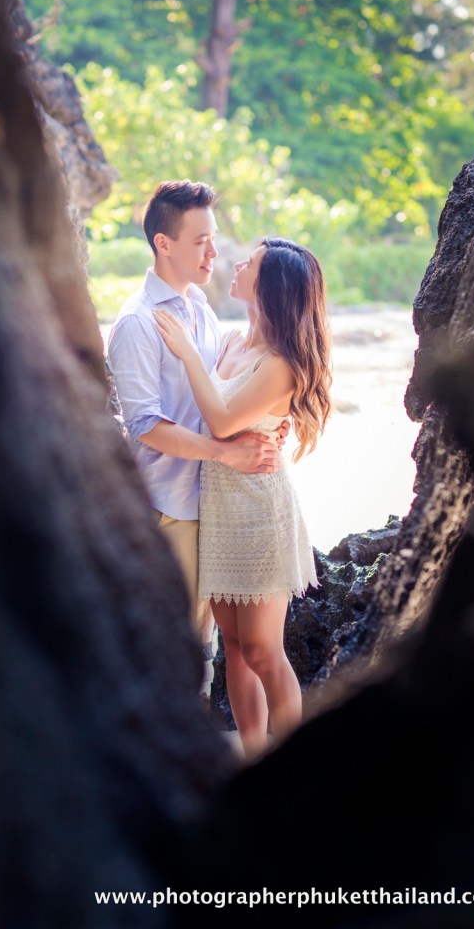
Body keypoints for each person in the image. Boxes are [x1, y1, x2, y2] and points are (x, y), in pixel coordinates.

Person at [153, 237, 332, 758]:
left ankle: (294, 766)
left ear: (270, 284)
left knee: (262, 649)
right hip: (220, 506)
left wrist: (186, 353)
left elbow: (223, 419)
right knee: (232, 648)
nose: (236, 264)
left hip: (259, 511)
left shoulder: (282, 363)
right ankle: (254, 760)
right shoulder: (232, 341)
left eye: (249, 263)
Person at [106, 182, 287, 697]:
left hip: (216, 505)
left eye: (214, 238)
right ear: (164, 244)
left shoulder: (202, 311)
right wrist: (224, 452)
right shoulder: (137, 323)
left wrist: (272, 417)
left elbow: (222, 398)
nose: (214, 251)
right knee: (174, 649)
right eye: (201, 240)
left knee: (207, 649)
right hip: (170, 506)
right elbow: (145, 426)